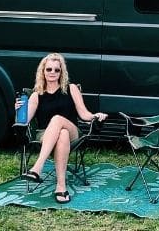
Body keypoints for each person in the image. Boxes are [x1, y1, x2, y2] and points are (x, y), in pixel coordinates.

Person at [18, 52, 108, 204]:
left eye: (56, 70)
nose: (52, 72)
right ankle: (61, 187)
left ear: (61, 72)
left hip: (73, 131)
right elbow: (24, 121)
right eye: (49, 69)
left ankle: (37, 167)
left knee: (59, 121)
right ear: (43, 71)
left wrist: (95, 116)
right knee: (62, 134)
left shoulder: (71, 88)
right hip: (44, 134)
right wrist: (18, 109)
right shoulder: (36, 95)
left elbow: (84, 114)